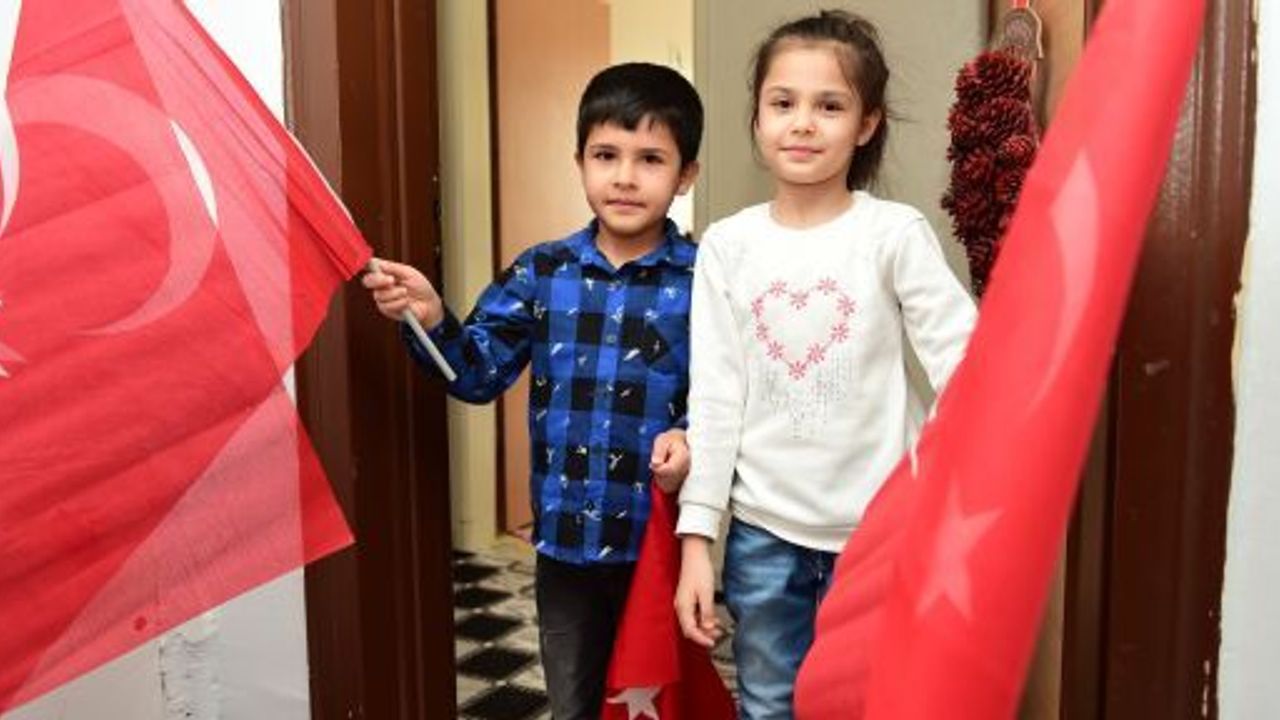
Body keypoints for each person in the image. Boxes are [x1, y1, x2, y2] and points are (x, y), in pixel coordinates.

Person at [364, 62, 703, 720]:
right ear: (579, 162)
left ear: (685, 174)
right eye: (606, 155)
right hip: (565, 543)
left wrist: (690, 436)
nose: (625, 177)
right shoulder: (542, 270)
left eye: (650, 159)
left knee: (659, 704)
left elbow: (724, 398)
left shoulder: (704, 277)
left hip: (660, 544)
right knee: (573, 702)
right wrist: (431, 318)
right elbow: (476, 373)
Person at [673, 11, 977, 719]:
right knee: (769, 705)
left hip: (881, 539)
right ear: (757, 117)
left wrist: (935, 485)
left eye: (830, 106)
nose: (803, 123)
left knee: (876, 705)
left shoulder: (892, 234)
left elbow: (967, 365)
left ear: (866, 124)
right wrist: (697, 542)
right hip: (761, 536)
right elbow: (715, 398)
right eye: (783, 102)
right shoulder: (727, 246)